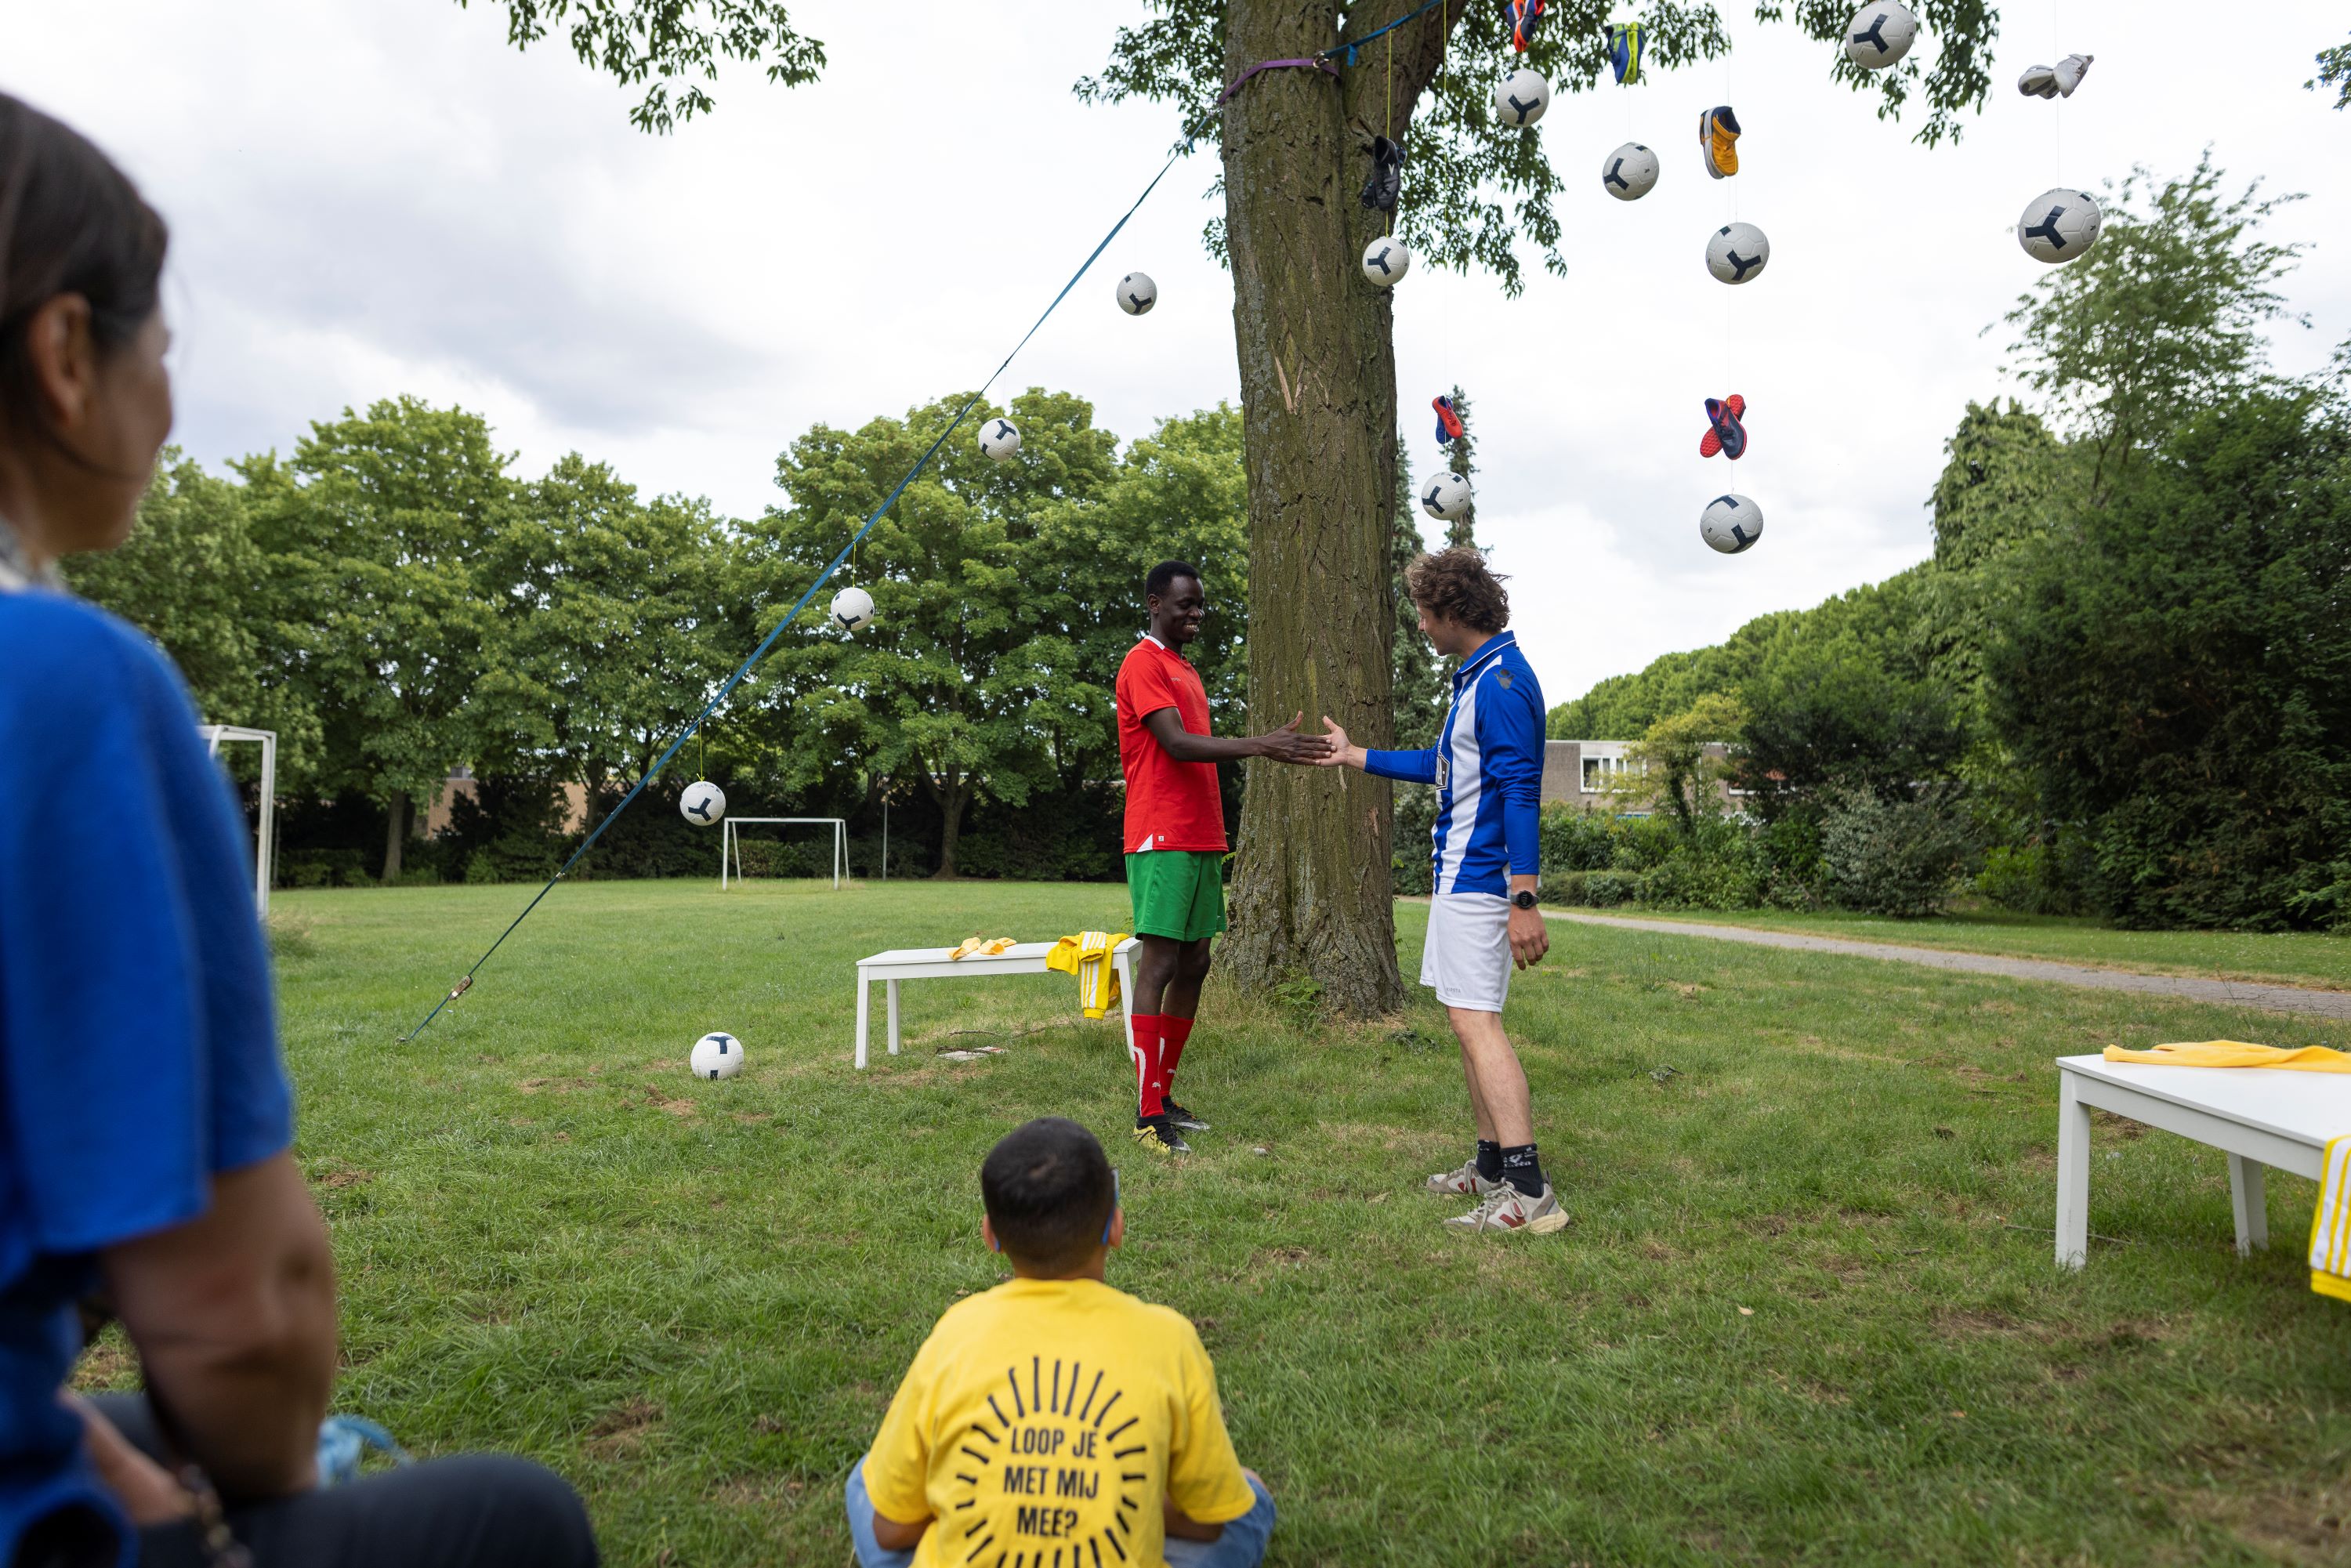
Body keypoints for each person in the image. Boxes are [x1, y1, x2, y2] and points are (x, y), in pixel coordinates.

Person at [0, 92, 599, 1567]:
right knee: (513, 1524)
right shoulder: (67, 690)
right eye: (167, 347)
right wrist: (216, 1496)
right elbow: (242, 1326)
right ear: (68, 354)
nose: (174, 394)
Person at [847, 1117, 1276, 1568]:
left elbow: (889, 1529)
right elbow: (1207, 1523)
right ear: (1116, 1226)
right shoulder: (1169, 1339)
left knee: (866, 1480)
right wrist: (1115, 1503)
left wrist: (990, 1503)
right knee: (1247, 1502)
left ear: (990, 1235)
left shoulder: (955, 1333)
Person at [1316, 548, 1565, 1235]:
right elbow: (1442, 766)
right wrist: (1356, 754)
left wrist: (1523, 898)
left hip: (1484, 882)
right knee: (1465, 1018)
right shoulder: (1478, 678)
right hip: (1459, 879)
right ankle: (1490, 1168)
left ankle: (1529, 1190)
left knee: (1476, 1023)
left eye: (1425, 614)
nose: (1421, 626)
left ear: (1454, 612)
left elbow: (1520, 790)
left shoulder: (1504, 684)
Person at [1114, 560, 1327, 1154]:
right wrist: (1264, 744)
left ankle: (1164, 1093)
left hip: (1201, 834)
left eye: (1200, 604)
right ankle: (1146, 1111)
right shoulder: (1143, 663)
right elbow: (1177, 745)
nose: (1195, 613)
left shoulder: (1185, 667)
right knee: (1158, 963)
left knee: (1197, 961)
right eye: (1184, 604)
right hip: (1161, 834)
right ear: (1155, 603)